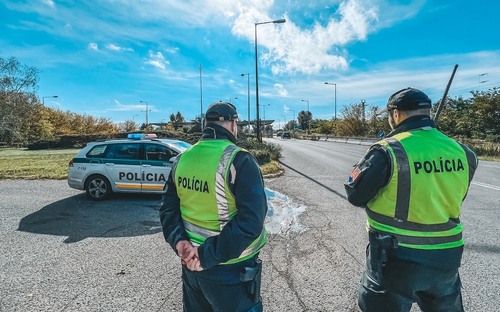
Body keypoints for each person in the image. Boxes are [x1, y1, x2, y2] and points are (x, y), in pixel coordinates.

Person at [344, 87, 478, 312]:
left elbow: (355, 195)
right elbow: (456, 193)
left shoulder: (389, 149)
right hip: (447, 257)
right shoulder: (463, 152)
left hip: (396, 256)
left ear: (395, 114)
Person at [159, 101, 268, 312]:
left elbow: (167, 208)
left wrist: (179, 240)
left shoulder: (182, 160)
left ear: (204, 125)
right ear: (233, 124)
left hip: (191, 267)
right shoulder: (239, 159)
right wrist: (206, 256)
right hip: (232, 272)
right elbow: (251, 221)